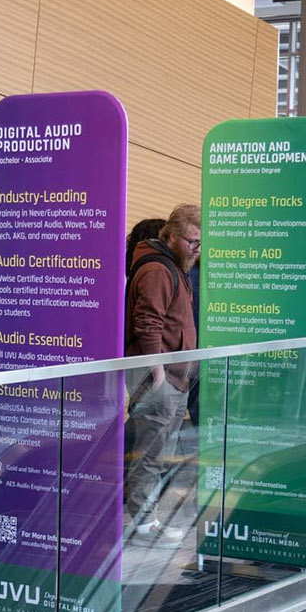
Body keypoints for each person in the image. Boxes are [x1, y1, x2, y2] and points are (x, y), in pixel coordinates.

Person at [124, 212, 200, 543]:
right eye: (192, 241)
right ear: (171, 236)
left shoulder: (174, 266)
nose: (197, 248)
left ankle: (146, 518)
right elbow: (148, 323)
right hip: (161, 380)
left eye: (201, 242)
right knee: (150, 453)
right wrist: (157, 375)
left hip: (174, 378)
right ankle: (143, 523)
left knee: (156, 452)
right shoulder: (158, 269)